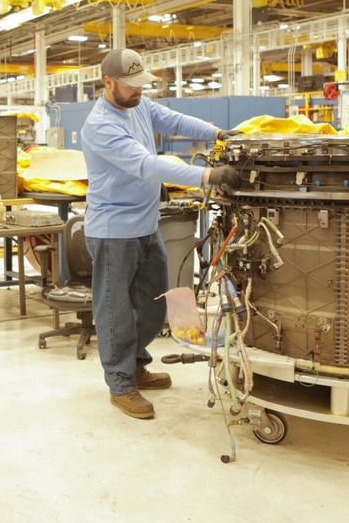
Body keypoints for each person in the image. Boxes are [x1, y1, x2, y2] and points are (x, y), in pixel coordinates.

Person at [80, 48, 243, 420]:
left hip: (145, 224)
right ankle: (121, 384)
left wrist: (216, 132)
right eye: (131, 85)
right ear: (108, 82)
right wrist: (207, 176)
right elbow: (145, 165)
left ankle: (135, 363)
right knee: (114, 311)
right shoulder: (100, 125)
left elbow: (173, 120)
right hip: (114, 230)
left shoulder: (138, 103)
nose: (139, 91)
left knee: (154, 304)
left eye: (141, 84)